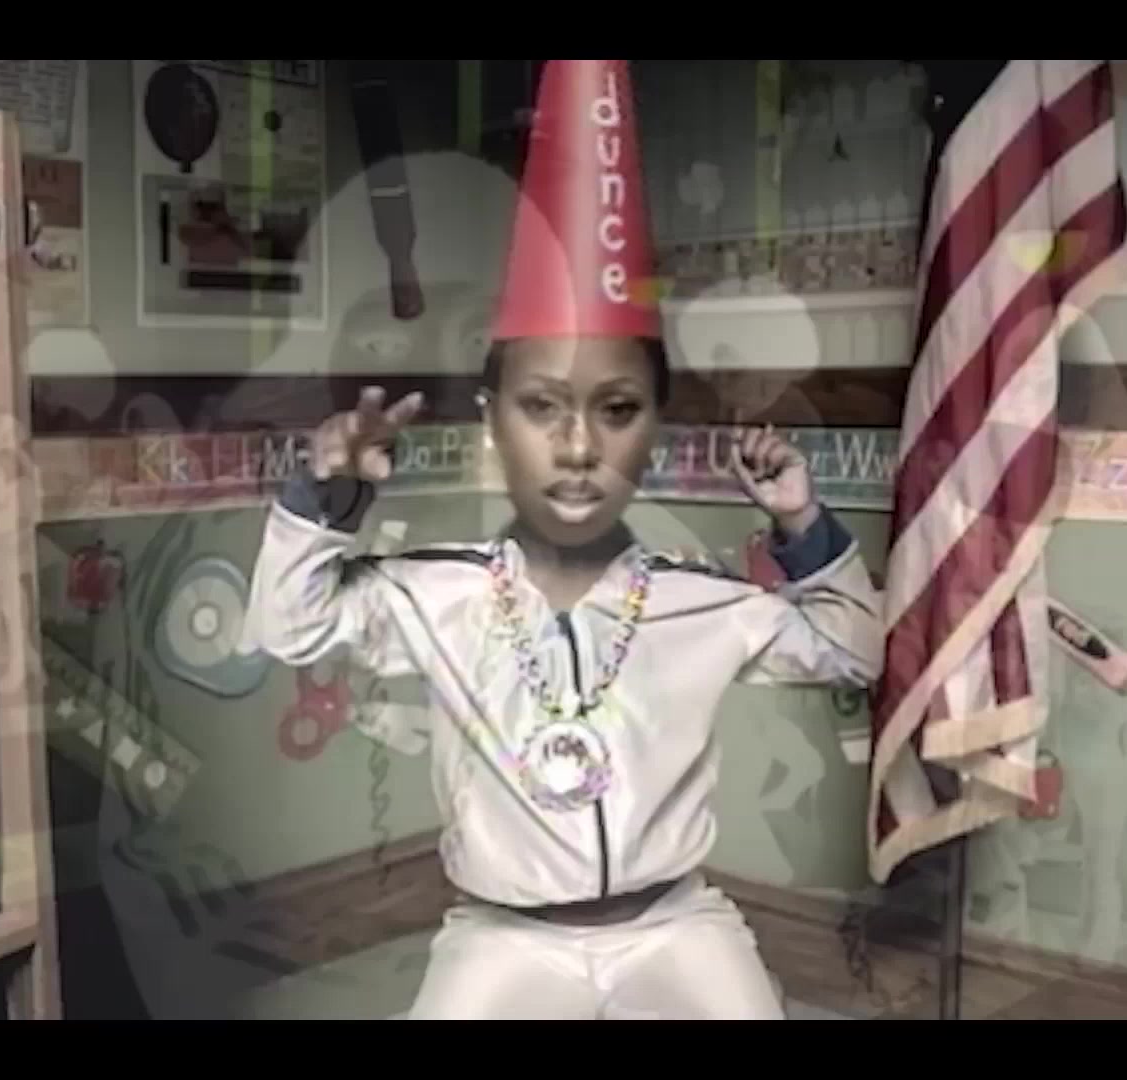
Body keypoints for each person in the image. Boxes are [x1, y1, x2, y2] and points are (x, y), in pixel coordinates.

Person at [240, 59, 884, 1020]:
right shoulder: (437, 593)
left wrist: (799, 519)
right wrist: (327, 494)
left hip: (675, 921)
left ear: (653, 426)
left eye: (617, 410)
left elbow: (855, 649)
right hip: (503, 932)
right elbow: (288, 626)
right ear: (494, 418)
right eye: (541, 407)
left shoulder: (697, 599)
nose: (579, 447)